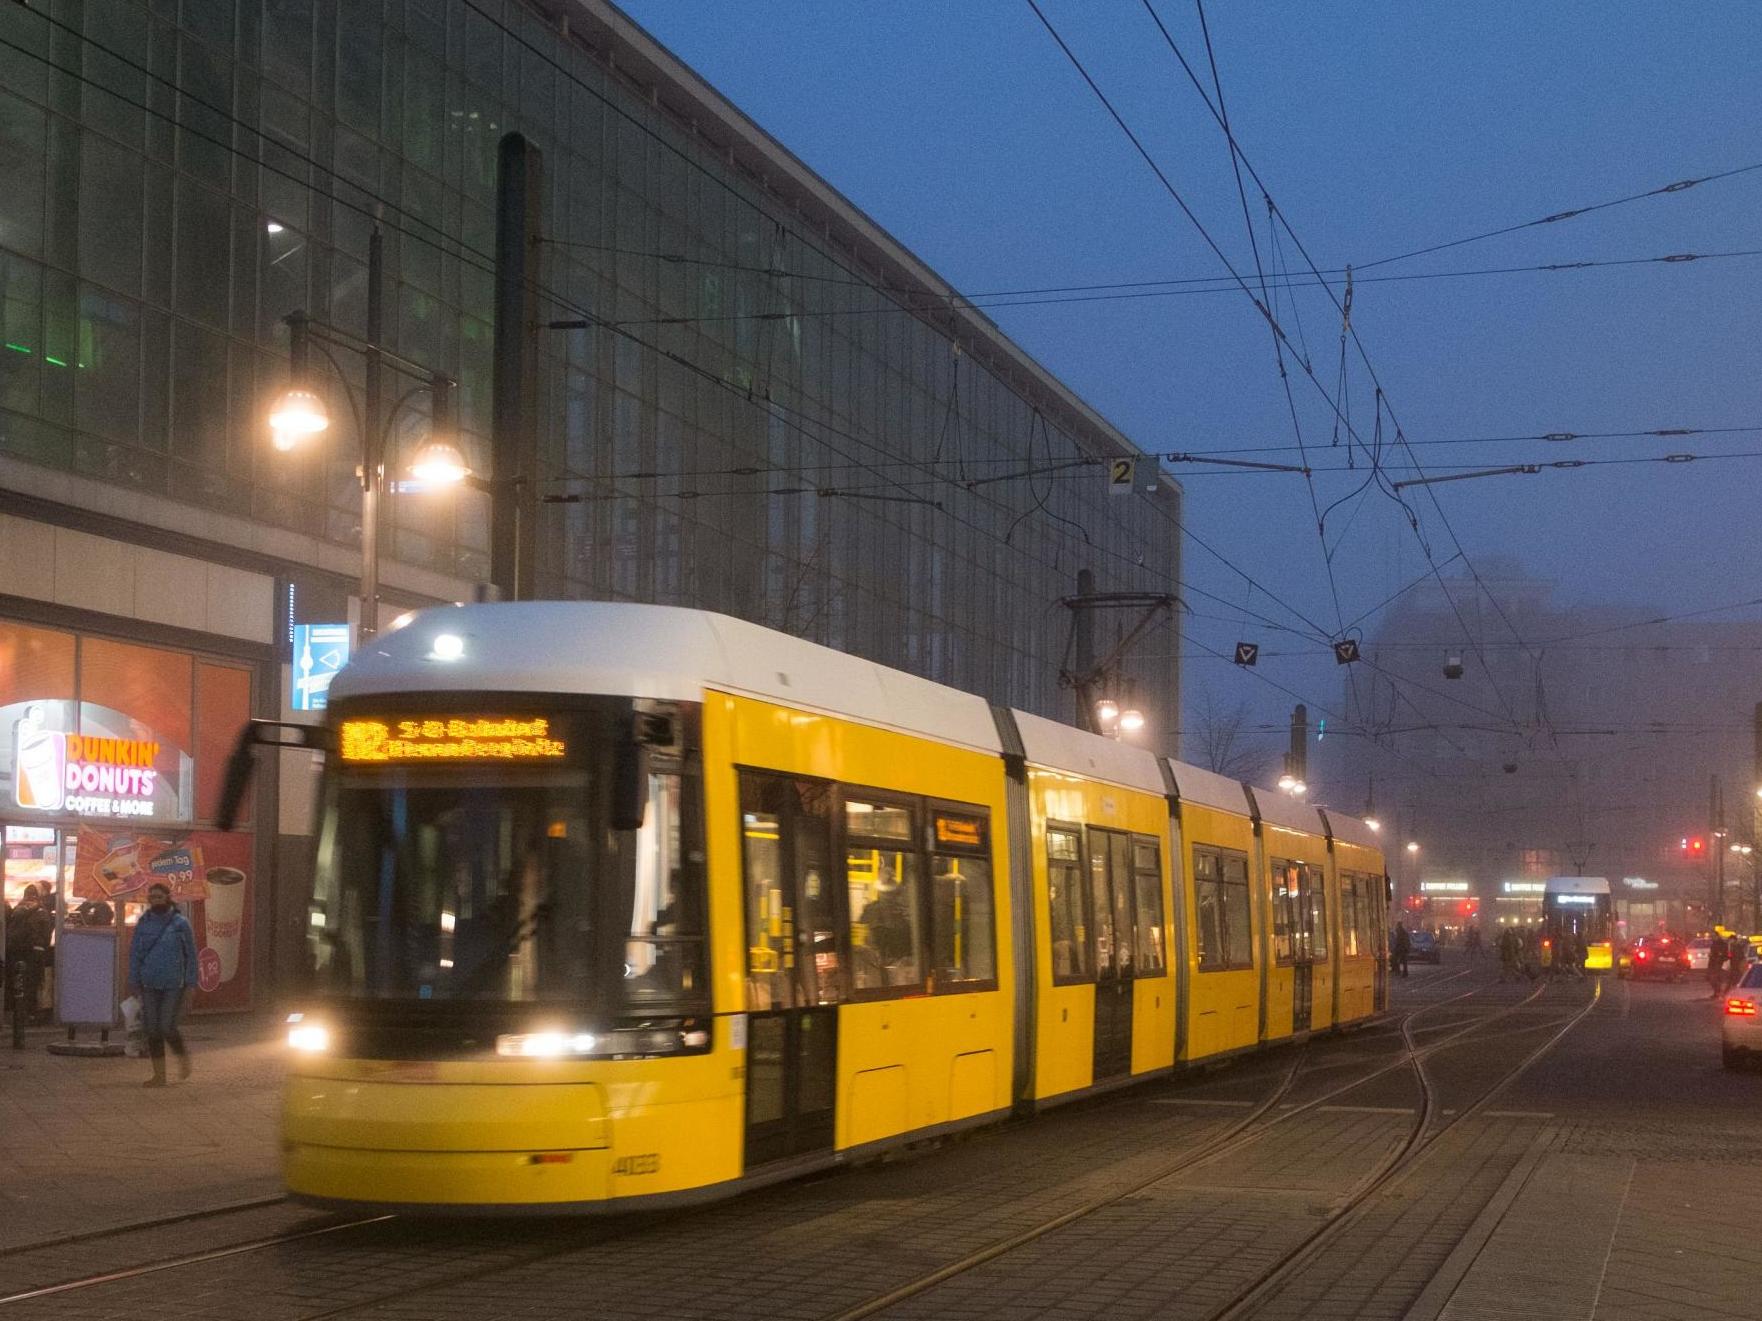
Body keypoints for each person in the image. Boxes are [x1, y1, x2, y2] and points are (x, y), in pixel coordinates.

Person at [127, 883, 200, 1087]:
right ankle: (159, 1075)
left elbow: (191, 956)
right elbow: (135, 953)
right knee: (152, 1030)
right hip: (149, 983)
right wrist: (133, 980)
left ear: (167, 898)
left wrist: (191, 983)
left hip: (173, 984)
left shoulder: (180, 923)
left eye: (159, 897)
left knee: (167, 1027)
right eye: (152, 897)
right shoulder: (144, 922)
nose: (155, 901)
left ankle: (182, 1056)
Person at [4, 886, 53, 1030]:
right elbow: (46, 933)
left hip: (16, 952)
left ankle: (16, 1015)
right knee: (33, 983)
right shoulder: (41, 911)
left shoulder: (17, 909)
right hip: (35, 951)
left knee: (17, 982)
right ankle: (30, 1015)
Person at [1705, 934, 1727, 1000]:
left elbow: (1722, 954)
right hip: (1713, 963)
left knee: (1715, 978)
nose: (1714, 938)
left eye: (1715, 936)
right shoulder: (1714, 944)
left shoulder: (1722, 944)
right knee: (1712, 979)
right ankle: (1717, 992)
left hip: (1718, 964)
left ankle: (1718, 992)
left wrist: (1717, 957)